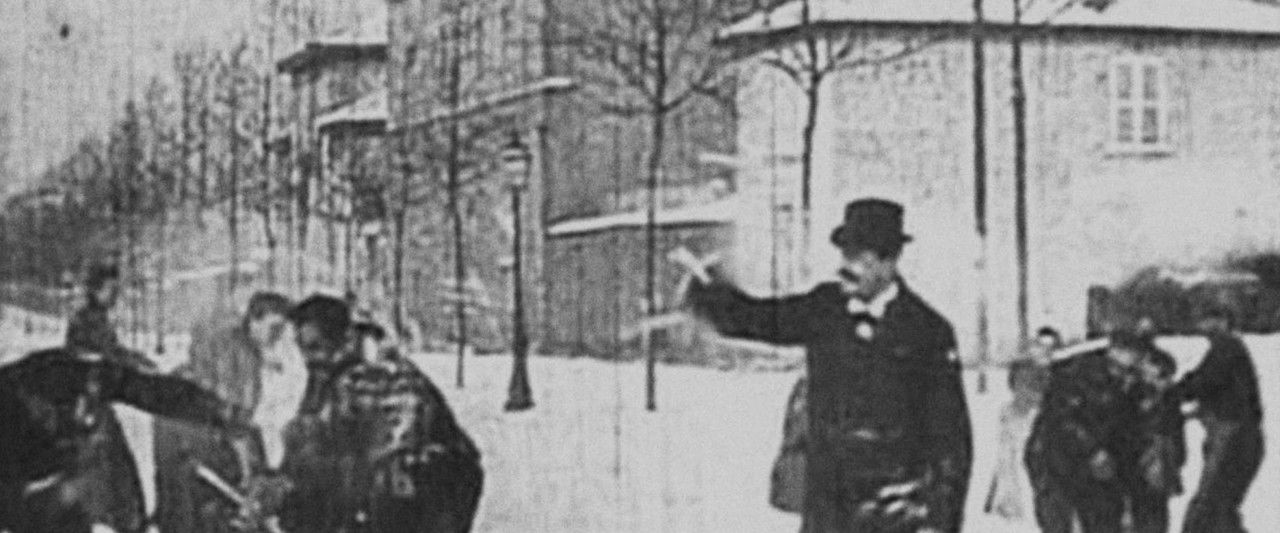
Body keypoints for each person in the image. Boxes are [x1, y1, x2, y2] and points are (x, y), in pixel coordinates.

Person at [681, 198, 972, 532]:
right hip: (829, 511)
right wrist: (707, 291)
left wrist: (942, 520)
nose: (846, 267)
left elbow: (952, 438)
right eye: (845, 256)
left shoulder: (928, 331)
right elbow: (758, 319)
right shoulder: (825, 309)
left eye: (861, 259)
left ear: (889, 263)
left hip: (895, 513)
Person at [279, 295, 484, 532]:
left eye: (315, 347)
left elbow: (384, 456)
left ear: (344, 340)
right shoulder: (330, 372)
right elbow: (310, 440)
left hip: (431, 492)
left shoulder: (383, 376)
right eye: (302, 347)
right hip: (392, 489)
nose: (307, 358)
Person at [0, 348, 256, 533]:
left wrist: (220, 413)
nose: (83, 412)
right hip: (29, 491)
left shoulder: (67, 373)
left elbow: (149, 390)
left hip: (59, 485)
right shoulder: (13, 409)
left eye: (85, 401)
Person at [153, 291, 301, 533]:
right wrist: (247, 465)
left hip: (199, 430)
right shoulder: (231, 349)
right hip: (188, 433)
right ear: (254, 319)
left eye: (281, 330)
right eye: (274, 328)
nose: (277, 337)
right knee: (191, 512)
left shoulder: (248, 349)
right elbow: (225, 408)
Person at [1025, 331, 1148, 533]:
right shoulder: (1080, 375)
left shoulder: (1130, 382)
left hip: (1099, 470)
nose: (1136, 361)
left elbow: (1126, 429)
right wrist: (1093, 449)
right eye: (1132, 354)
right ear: (1114, 351)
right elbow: (1063, 420)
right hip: (1058, 462)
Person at [1172, 308, 1264, 533]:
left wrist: (1172, 393)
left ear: (1222, 322)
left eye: (1208, 320)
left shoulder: (1227, 347)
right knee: (1221, 509)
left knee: (1209, 509)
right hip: (1241, 437)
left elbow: (1205, 381)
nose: (1202, 325)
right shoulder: (1228, 349)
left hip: (1233, 436)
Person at [983, 328, 1058, 523]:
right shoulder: (1025, 368)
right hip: (1021, 420)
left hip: (1044, 424)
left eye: (1051, 346)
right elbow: (1020, 390)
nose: (1046, 350)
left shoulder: (1060, 369)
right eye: (1042, 345)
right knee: (1012, 464)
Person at [1127, 334, 1185, 533]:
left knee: (1155, 511)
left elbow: (1175, 427)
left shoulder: (1166, 394)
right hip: (1141, 459)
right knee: (1142, 510)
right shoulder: (1133, 389)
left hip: (1159, 458)